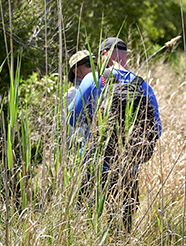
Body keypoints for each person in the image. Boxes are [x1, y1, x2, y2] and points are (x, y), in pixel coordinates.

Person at [69, 37, 162, 230]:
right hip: (129, 170)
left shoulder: (92, 80)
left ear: (104, 55)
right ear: (125, 56)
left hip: (96, 167)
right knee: (121, 231)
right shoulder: (142, 85)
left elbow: (72, 118)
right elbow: (157, 130)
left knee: (86, 227)